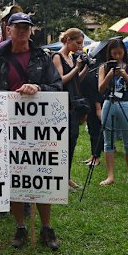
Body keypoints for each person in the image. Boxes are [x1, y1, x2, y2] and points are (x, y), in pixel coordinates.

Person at [0, 12, 62, 250]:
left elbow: (57, 87)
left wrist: (37, 87)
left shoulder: (43, 58)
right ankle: (20, 227)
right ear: (8, 30)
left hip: (40, 129)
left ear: (31, 30)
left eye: (26, 27)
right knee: (16, 177)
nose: (22, 31)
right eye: (18, 27)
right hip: (10, 129)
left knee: (42, 176)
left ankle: (47, 228)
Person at [97, 38, 128, 188]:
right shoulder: (103, 67)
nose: (117, 57)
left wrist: (124, 75)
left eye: (120, 53)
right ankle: (110, 176)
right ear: (109, 53)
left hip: (126, 104)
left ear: (124, 52)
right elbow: (100, 89)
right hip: (109, 102)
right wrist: (109, 75)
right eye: (114, 53)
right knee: (108, 140)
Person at [52, 28, 89, 191]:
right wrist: (76, 67)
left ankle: (67, 178)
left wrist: (85, 68)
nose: (80, 47)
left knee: (72, 142)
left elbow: (75, 80)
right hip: (62, 105)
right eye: (78, 43)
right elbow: (60, 80)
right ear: (68, 39)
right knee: (63, 144)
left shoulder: (72, 57)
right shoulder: (57, 57)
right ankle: (60, 178)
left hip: (74, 104)